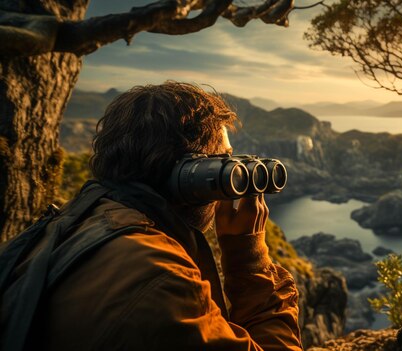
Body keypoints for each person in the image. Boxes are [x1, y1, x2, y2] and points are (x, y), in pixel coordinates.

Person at [28, 82, 301, 350]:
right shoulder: (162, 279)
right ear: (190, 177)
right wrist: (249, 259)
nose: (236, 177)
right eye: (225, 164)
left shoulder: (74, 224)